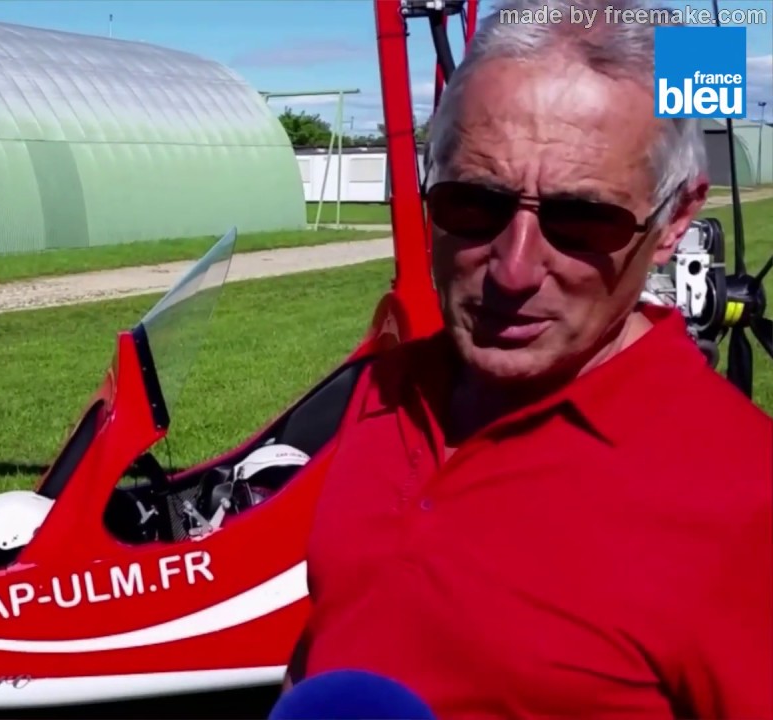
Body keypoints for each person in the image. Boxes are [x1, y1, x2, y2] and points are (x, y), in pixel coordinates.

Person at [283, 0, 773, 717]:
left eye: (582, 221)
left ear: (673, 221)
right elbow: (333, 641)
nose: (513, 270)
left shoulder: (746, 496)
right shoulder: (383, 392)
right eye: (472, 204)